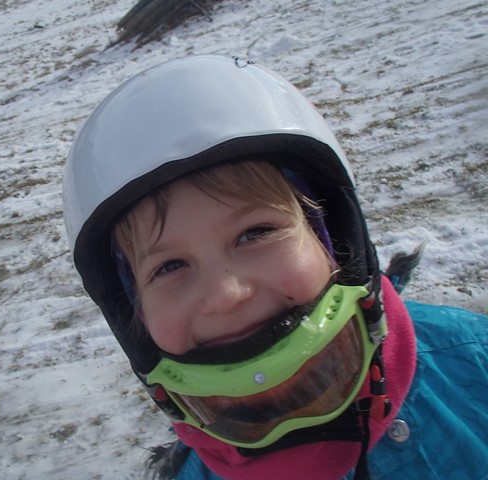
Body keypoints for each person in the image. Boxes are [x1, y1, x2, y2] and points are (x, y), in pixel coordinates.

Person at [62, 55, 488, 480]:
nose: (226, 294)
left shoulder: (472, 359)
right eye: (169, 266)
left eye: (256, 233)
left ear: (335, 242)